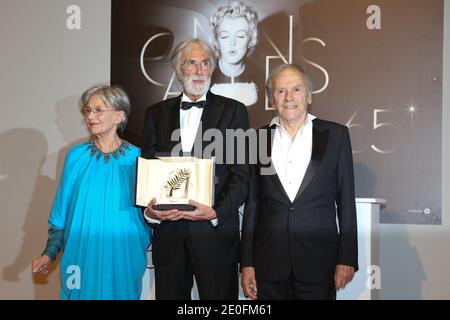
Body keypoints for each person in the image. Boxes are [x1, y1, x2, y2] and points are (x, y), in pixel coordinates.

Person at [142, 38, 249, 300]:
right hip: (169, 238)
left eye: (205, 63)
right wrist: (152, 211)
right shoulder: (155, 114)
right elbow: (147, 172)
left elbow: (241, 176)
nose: (199, 70)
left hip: (215, 237)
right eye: (191, 63)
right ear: (179, 69)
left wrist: (215, 212)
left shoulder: (234, 111)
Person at [240, 64, 358, 300]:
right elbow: (252, 205)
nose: (288, 98)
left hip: (319, 263)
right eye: (280, 91)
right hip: (269, 264)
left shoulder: (336, 135)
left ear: (309, 95)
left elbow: (346, 201)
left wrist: (347, 257)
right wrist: (247, 262)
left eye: (296, 89)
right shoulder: (256, 139)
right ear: (271, 98)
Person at [32, 85, 151, 300]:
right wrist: (49, 254)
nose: (90, 116)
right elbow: (61, 214)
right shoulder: (75, 157)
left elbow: (151, 214)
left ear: (119, 116)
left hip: (123, 256)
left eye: (98, 110)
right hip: (80, 256)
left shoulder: (140, 159)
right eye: (87, 111)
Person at [210, 1, 259, 107]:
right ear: (216, 41)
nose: (232, 42)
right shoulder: (204, 77)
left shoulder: (262, 77)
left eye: (240, 36)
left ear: (251, 41)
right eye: (224, 36)